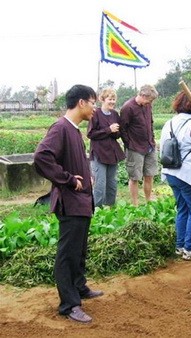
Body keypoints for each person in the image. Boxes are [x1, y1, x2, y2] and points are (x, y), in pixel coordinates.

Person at [33, 84, 103, 324]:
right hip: (70, 203)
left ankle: (79, 287)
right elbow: (41, 157)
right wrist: (69, 179)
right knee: (68, 255)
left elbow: (71, 160)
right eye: (93, 102)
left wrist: (84, 175)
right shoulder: (61, 128)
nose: (95, 107)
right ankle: (69, 304)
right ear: (81, 103)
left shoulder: (74, 130)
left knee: (80, 250)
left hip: (82, 202)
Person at [160, 91, 191, 260]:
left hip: (171, 172)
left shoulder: (169, 123)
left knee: (183, 208)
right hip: (189, 173)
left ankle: (180, 245)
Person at [120, 84, 159, 206]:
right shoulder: (128, 107)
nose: (150, 103)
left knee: (149, 174)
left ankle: (148, 200)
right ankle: (135, 204)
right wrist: (129, 144)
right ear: (142, 95)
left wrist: (152, 139)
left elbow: (150, 123)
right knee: (135, 177)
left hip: (149, 146)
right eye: (149, 100)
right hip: (135, 148)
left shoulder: (147, 106)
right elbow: (123, 129)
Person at [87, 88, 125, 207]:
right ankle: (96, 210)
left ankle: (110, 208)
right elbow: (91, 134)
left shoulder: (114, 114)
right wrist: (109, 130)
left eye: (114, 99)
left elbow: (118, 134)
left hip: (112, 154)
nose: (112, 101)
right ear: (102, 99)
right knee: (100, 184)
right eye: (110, 99)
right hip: (99, 153)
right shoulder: (96, 114)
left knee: (112, 184)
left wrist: (116, 131)